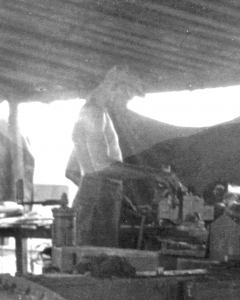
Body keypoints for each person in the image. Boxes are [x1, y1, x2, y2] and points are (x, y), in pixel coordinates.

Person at [68, 66, 178, 247]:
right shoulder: (94, 113)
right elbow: (103, 166)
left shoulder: (96, 112)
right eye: (128, 95)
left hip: (100, 195)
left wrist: (118, 192)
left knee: (99, 259)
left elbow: (74, 170)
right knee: (98, 261)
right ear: (115, 87)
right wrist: (153, 174)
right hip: (98, 199)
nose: (127, 102)